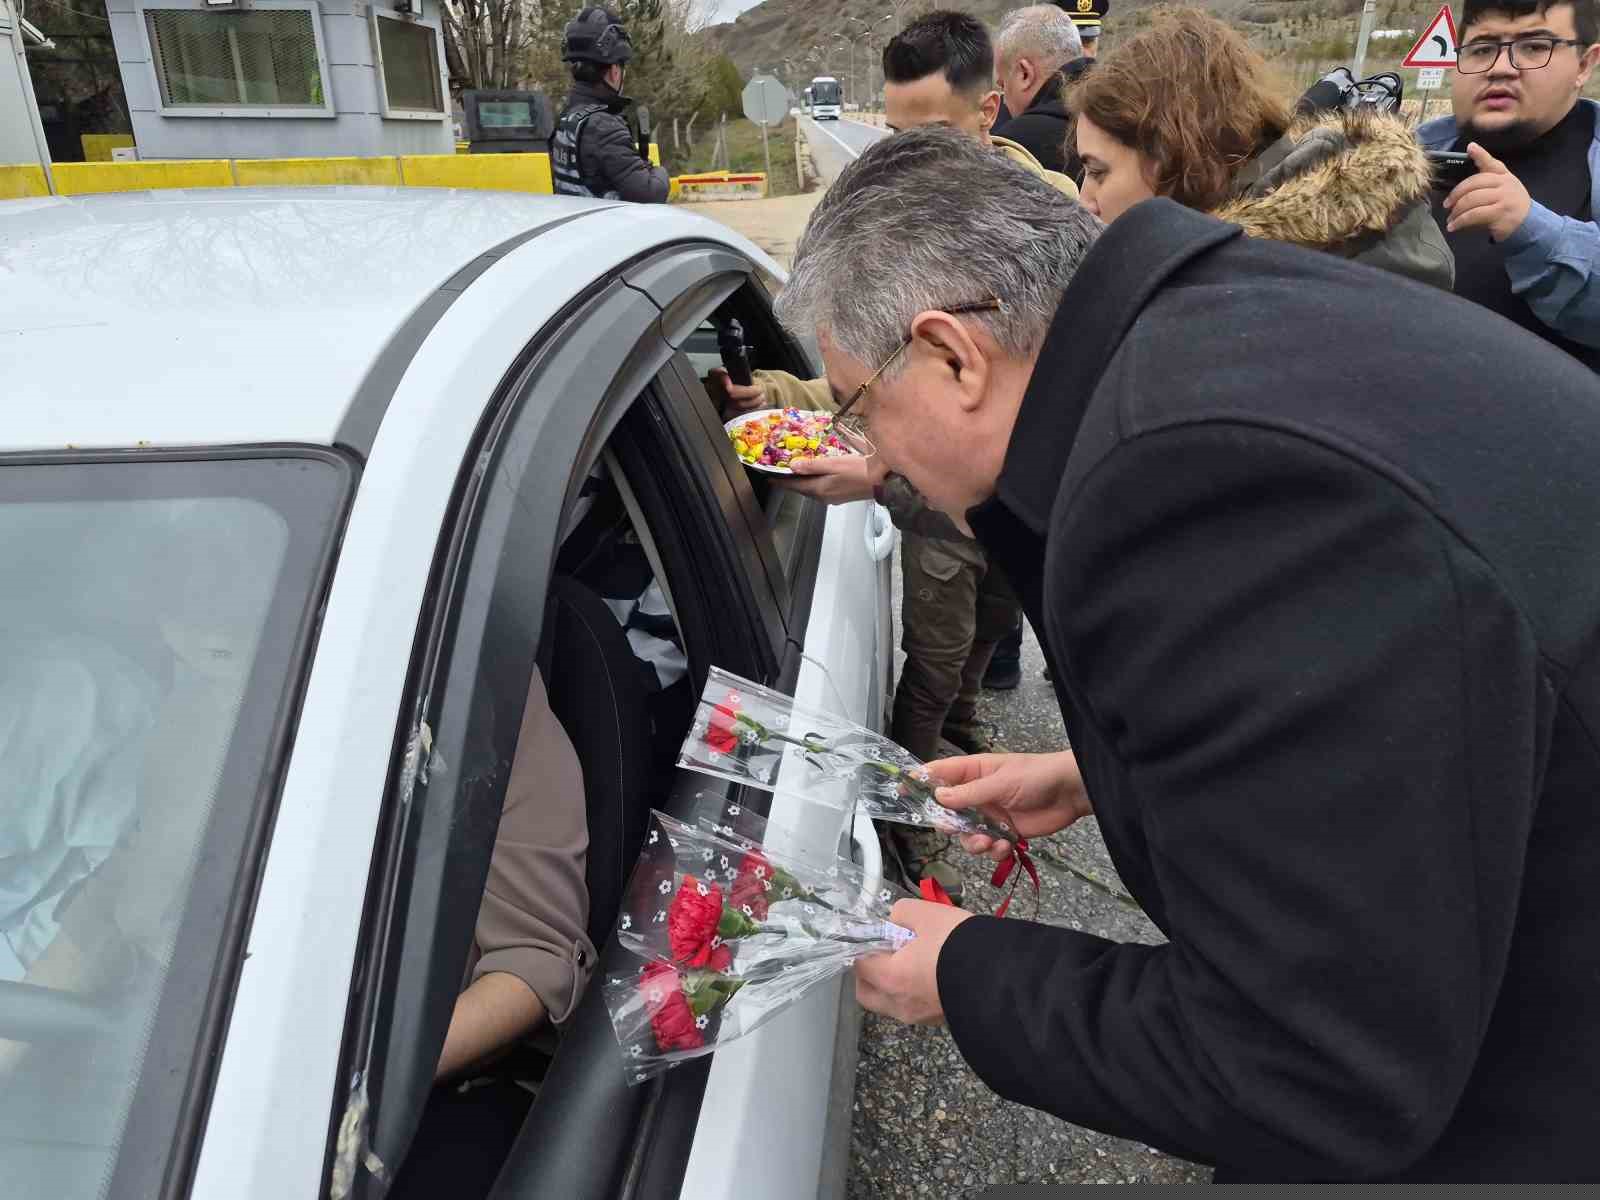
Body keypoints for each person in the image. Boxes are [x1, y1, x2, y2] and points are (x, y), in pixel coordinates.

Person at [779, 125, 1600, 1182]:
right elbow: (1382, 714)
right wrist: (1109, 770)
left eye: (859, 407)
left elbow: (1313, 1068)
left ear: (951, 354)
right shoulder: (1213, 321)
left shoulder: (1182, 483)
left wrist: (966, 971)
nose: (874, 455)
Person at [708, 11, 1073, 904]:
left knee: (986, 632)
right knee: (940, 645)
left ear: (991, 112)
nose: (898, 163)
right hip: (955, 515)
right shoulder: (890, 247)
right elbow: (857, 385)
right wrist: (795, 408)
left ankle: (954, 734)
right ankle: (925, 797)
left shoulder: (1042, 217)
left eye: (932, 137)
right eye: (893, 136)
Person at [390, 668, 595, 1197]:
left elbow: (534, 963)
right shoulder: (158, 687)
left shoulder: (475, 674)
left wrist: (357, 1073)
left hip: (411, 1085)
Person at [1071, 7, 1453, 289]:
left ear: (1176, 155)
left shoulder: (1284, 278)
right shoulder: (1244, 260)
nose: (1085, 199)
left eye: (1098, 172)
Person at [1420, 0, 1600, 366]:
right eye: (1482, 49)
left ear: (1584, 64)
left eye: (1535, 47)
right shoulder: (1406, 160)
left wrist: (1531, 230)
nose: (1500, 68)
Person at [551, 6, 669, 203]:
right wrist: (658, 171)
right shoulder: (603, 127)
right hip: (608, 230)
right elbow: (650, 193)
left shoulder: (567, 117)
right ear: (615, 70)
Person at [993, 6, 1083, 175]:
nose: (1004, 100)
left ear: (1025, 74)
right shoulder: (1132, 107)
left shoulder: (1016, 144)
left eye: (1003, 84)